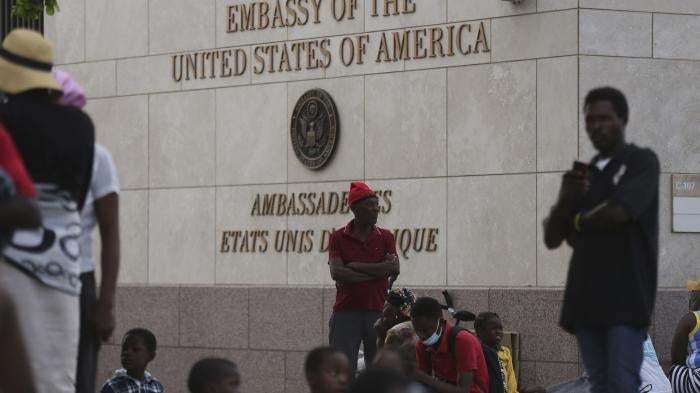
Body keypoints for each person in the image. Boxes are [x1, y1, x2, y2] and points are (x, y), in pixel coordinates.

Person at [544, 86, 660, 393]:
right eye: (590, 119)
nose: (596, 125)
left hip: (625, 297)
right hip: (587, 298)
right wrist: (564, 199)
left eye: (604, 118)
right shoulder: (584, 174)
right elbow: (553, 236)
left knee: (622, 382)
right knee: (600, 383)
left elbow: (620, 212)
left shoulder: (641, 163)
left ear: (622, 119)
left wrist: (579, 220)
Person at [0, 28, 95, 393]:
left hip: (10, 244)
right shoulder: (81, 126)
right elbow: (80, 194)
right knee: (57, 364)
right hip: (65, 254)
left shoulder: (6, 119)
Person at [52, 68, 122, 393]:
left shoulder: (97, 157)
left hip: (78, 278)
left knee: (78, 379)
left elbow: (110, 232)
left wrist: (105, 303)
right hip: (26, 276)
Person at [328, 181, 400, 378]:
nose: (376, 209)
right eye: (370, 205)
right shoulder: (338, 237)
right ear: (354, 209)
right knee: (343, 372)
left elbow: (394, 268)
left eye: (377, 204)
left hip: (377, 312)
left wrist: (354, 266)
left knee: (377, 373)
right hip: (345, 313)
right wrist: (378, 272)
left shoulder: (386, 237)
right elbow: (337, 273)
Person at [411, 297, 489, 393]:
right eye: (417, 331)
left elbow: (464, 390)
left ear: (439, 321)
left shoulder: (463, 341)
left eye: (425, 330)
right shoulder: (423, 344)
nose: (422, 336)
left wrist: (426, 379)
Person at [101, 328, 164, 393]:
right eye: (124, 348)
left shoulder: (156, 386)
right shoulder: (112, 386)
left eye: (135, 349)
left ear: (151, 356)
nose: (127, 353)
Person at [669, 280, 700, 393]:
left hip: (697, 382)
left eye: (692, 293)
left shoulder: (691, 319)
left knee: (675, 370)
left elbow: (676, 358)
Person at [474, 313, 516, 393]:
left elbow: (511, 381)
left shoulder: (505, 352)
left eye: (501, 328)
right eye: (494, 328)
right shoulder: (476, 352)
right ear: (480, 331)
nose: (499, 332)